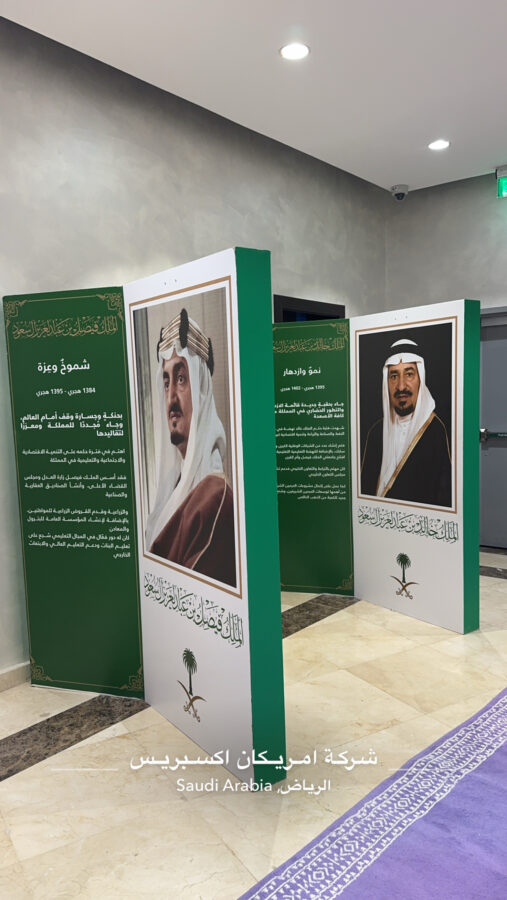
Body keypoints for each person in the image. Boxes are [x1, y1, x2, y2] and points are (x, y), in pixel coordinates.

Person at [145, 307, 236, 587]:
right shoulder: (175, 485)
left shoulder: (214, 498)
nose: (171, 397)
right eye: (166, 382)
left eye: (181, 379)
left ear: (202, 390)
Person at [360, 337, 452, 506]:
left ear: (420, 379)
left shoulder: (437, 432)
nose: (401, 386)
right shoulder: (376, 432)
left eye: (409, 374)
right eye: (394, 376)